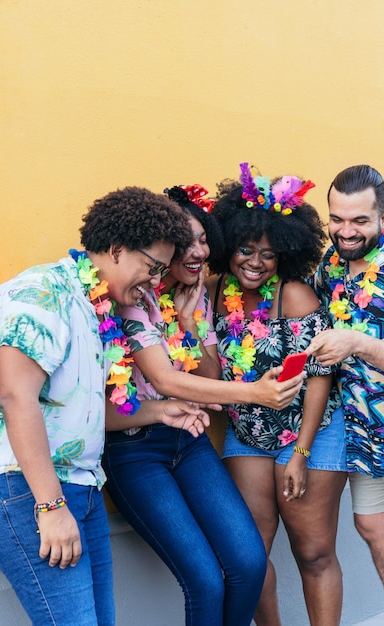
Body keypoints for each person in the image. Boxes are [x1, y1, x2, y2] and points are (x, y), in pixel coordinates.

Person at [0, 185, 216, 626]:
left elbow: (78, 408)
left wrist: (158, 410)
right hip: (30, 490)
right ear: (116, 249)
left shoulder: (96, 308)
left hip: (82, 487)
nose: (157, 282)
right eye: (152, 268)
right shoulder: (44, 292)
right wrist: (50, 506)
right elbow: (13, 394)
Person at [102, 183, 305, 626]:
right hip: (135, 450)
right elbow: (163, 378)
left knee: (249, 564)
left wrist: (192, 324)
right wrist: (255, 392)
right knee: (207, 581)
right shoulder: (134, 298)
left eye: (203, 238)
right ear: (162, 248)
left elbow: (209, 380)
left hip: (188, 441)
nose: (198, 250)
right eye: (186, 241)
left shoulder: (197, 298)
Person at [205, 163, 348, 626]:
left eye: (268, 254)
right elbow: (210, 372)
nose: (255, 262)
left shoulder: (295, 296)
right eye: (245, 249)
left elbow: (322, 375)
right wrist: (190, 323)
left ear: (283, 255)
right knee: (250, 555)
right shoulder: (211, 295)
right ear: (228, 247)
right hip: (248, 432)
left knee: (312, 551)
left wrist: (302, 453)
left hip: (311, 430)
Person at [308, 164, 384, 626]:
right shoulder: (330, 268)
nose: (345, 232)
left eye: (359, 221)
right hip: (362, 436)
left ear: (383, 220)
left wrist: (358, 342)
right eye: (337, 219)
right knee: (373, 529)